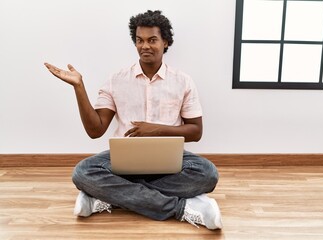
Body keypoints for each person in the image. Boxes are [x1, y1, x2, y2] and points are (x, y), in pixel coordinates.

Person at [44, 10, 222, 230]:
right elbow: (95, 130)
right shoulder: (117, 80)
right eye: (139, 40)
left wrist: (156, 130)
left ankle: (108, 197)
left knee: (207, 174)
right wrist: (78, 87)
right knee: (83, 173)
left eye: (152, 40)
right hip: (124, 159)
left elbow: (196, 131)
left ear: (165, 42)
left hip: (168, 159)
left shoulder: (183, 81)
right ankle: (183, 208)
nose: (145, 46)